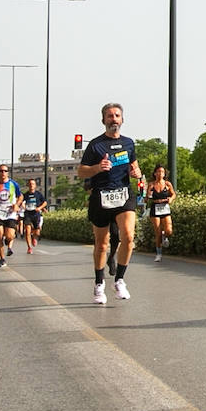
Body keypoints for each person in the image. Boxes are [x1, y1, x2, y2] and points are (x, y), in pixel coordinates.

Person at [77, 103, 141, 304]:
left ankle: (120, 280)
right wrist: (97, 167)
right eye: (110, 116)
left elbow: (134, 166)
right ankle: (99, 283)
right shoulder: (96, 145)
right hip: (101, 196)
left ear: (122, 119)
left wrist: (136, 173)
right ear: (103, 120)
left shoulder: (129, 143)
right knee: (102, 244)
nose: (114, 119)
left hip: (123, 194)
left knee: (128, 236)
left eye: (117, 115)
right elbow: (81, 172)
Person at [147, 165, 176, 261]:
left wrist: (170, 199)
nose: (160, 174)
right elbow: (146, 198)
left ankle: (165, 235)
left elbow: (173, 194)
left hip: (165, 208)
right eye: (158, 172)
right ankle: (158, 254)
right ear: (155, 173)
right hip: (155, 208)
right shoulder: (151, 185)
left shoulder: (167, 184)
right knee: (158, 232)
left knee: (169, 230)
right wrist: (147, 196)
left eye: (162, 172)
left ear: (164, 174)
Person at [20, 178, 46, 253]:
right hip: (28, 214)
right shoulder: (25, 195)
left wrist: (40, 208)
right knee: (27, 231)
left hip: (36, 214)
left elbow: (45, 203)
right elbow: (21, 202)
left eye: (33, 184)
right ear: (28, 185)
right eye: (30, 184)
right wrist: (23, 206)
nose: (31, 185)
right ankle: (29, 247)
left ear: (35, 185)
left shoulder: (38, 194)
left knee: (37, 232)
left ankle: (34, 237)